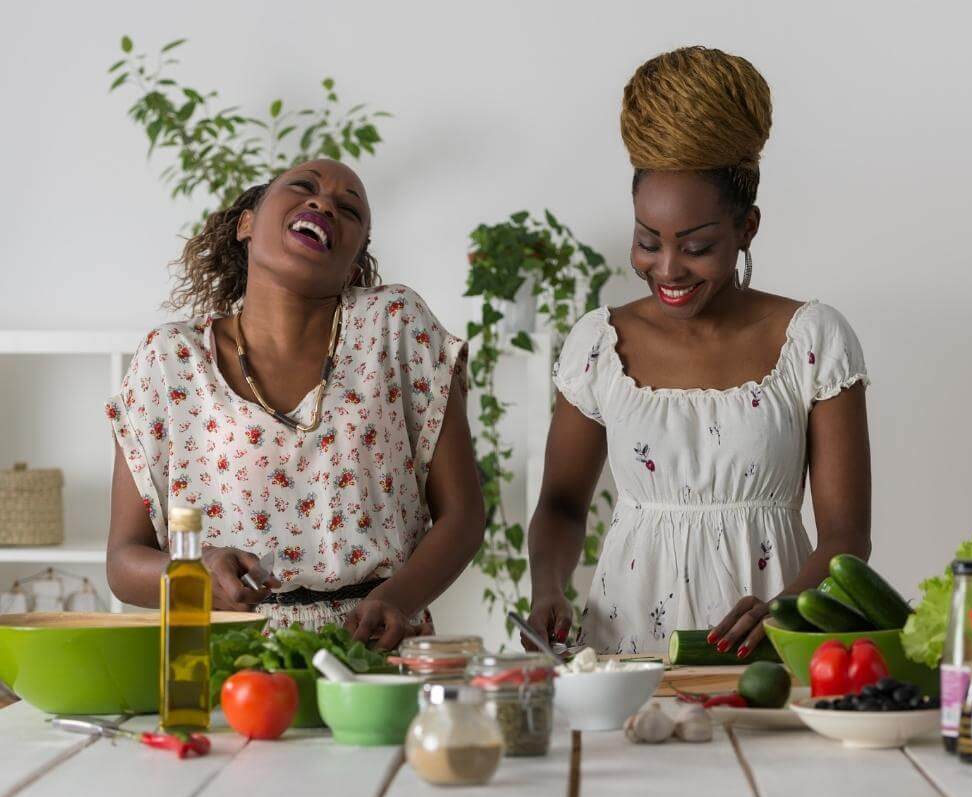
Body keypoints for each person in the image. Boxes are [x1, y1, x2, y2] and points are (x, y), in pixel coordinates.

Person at [525, 47, 871, 657]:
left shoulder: (812, 340)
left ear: (747, 228)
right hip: (622, 649)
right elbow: (559, 503)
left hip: (765, 649)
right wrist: (547, 587)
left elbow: (846, 534)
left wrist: (787, 611)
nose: (667, 269)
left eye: (696, 246)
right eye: (647, 240)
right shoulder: (599, 346)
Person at [105, 159, 485, 648]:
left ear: (355, 258)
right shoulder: (170, 360)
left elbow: (463, 515)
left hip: (374, 649)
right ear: (246, 223)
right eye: (304, 187)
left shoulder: (396, 326)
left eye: (349, 210)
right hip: (225, 658)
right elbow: (122, 561)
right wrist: (191, 573)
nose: (324, 202)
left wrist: (398, 599)